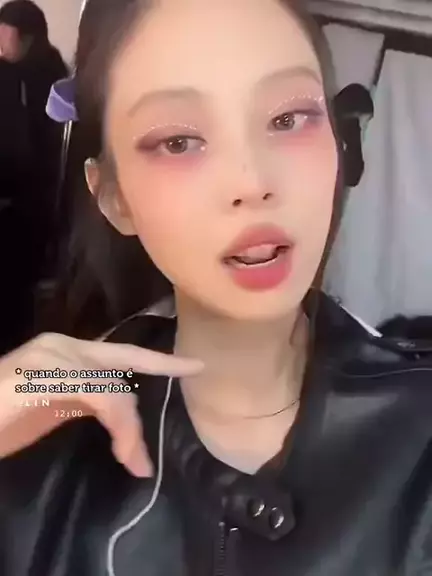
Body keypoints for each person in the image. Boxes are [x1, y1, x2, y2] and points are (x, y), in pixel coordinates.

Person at [0, 0, 431, 575]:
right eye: (179, 141)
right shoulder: (41, 449)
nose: (252, 182)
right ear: (114, 197)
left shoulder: (419, 432)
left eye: (288, 118)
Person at [0, 0, 67, 354]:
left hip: (34, 198)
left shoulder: (48, 73)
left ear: (28, 38)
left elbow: (39, 145)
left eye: (5, 35)